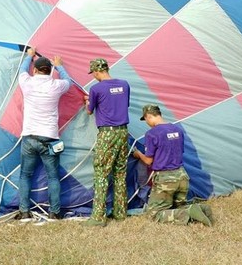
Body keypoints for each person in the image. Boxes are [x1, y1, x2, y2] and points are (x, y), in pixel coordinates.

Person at [15, 47, 72, 221]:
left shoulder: (27, 82)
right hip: (50, 138)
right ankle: (54, 213)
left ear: (35, 70)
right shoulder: (56, 85)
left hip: (30, 136)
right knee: (53, 176)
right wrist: (60, 66)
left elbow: (22, 70)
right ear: (50, 71)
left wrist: (29, 56)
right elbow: (68, 80)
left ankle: (24, 211)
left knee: (25, 175)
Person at [131, 104, 213, 226]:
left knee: (154, 214)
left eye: (146, 119)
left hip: (166, 179)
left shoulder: (152, 134)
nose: (147, 122)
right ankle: (199, 208)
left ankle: (185, 214)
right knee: (178, 205)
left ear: (149, 116)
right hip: (182, 176)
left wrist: (138, 154)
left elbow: (148, 161)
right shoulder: (177, 130)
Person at [83, 58, 130, 227]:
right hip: (124, 132)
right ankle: (120, 213)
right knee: (120, 172)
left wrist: (88, 102)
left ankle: (98, 217)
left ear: (96, 71)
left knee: (102, 173)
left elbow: (89, 111)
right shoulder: (124, 85)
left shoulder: (95, 88)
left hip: (107, 134)